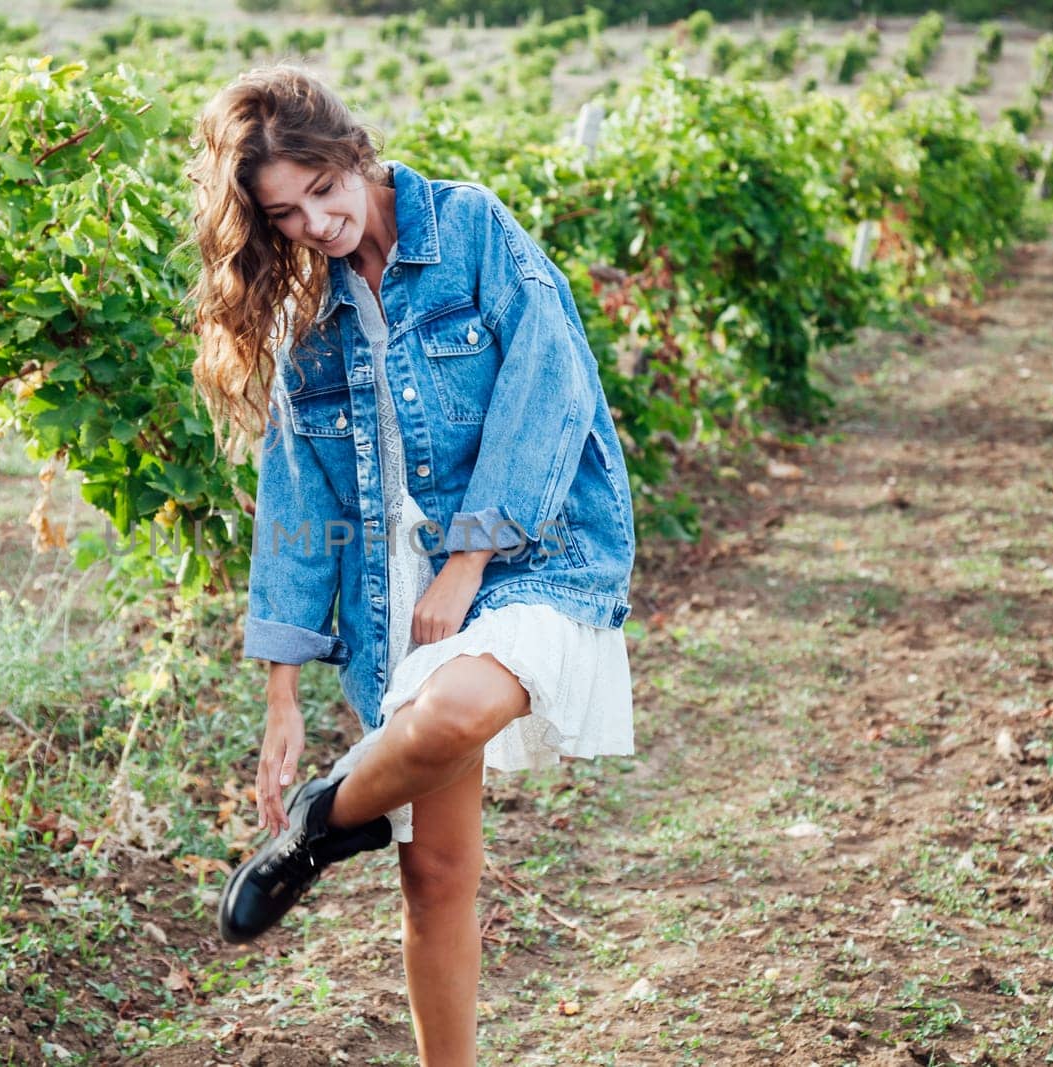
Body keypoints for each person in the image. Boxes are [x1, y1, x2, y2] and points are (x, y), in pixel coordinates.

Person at [185, 65, 636, 1065]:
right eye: (286, 214)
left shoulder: (470, 226)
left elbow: (549, 382)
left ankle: (319, 823)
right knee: (434, 876)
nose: (316, 223)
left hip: (533, 549)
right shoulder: (313, 318)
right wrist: (282, 699)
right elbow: (299, 503)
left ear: (353, 151)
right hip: (393, 588)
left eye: (324, 190)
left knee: (457, 711)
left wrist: (469, 557)